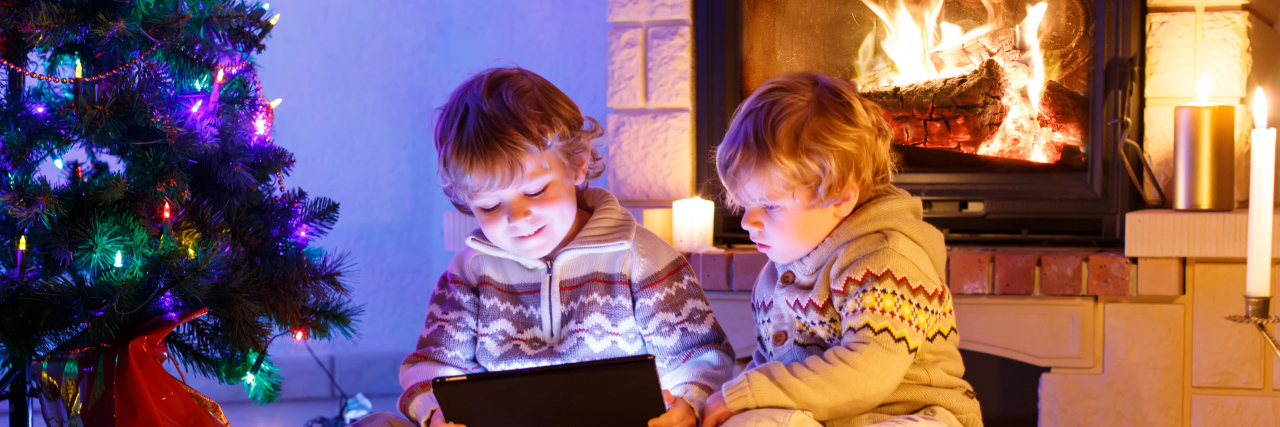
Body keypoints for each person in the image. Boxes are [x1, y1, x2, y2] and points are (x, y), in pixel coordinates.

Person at [356, 67, 734, 427]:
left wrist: (688, 403)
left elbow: (700, 354)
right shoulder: (471, 273)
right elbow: (431, 367)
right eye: (489, 206)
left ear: (578, 165)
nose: (518, 217)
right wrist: (435, 412)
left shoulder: (640, 257)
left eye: (536, 191)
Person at [700, 73, 982, 427]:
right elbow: (771, 368)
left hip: (914, 414)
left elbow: (866, 373)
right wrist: (732, 403)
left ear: (839, 197)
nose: (747, 222)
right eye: (745, 205)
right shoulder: (775, 277)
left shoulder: (887, 262)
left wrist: (749, 394)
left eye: (770, 206)